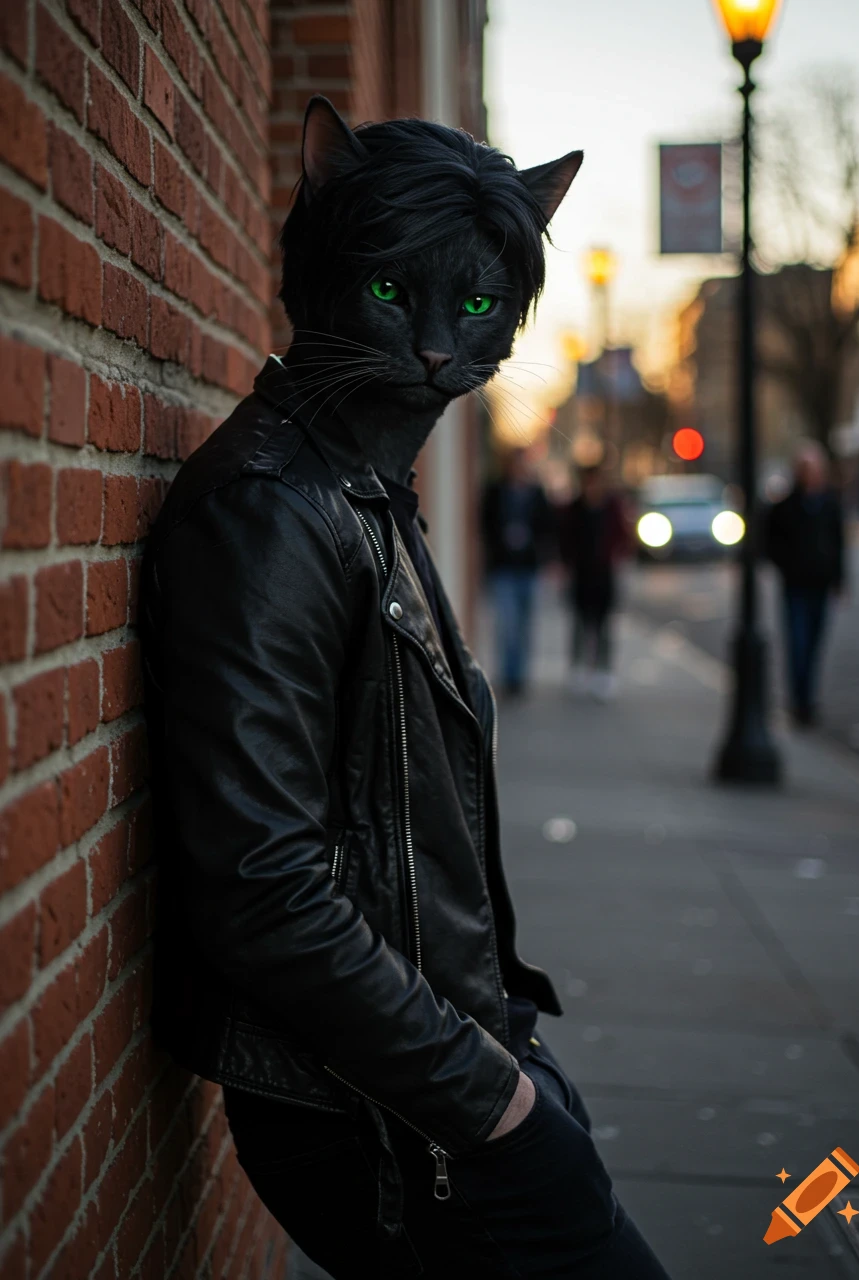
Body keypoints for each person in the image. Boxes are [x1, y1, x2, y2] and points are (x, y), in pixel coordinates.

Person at [139, 96, 669, 1279]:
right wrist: (497, 1104)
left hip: (447, 1069)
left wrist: (516, 1068)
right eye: (394, 295)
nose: (438, 343)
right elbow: (266, 891)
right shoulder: (273, 512)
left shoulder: (360, 489)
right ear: (320, 268)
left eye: (476, 308)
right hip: (379, 1117)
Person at [766, 440, 847, 727]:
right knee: (797, 642)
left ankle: (807, 698)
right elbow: (770, 540)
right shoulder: (787, 505)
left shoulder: (830, 504)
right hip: (796, 584)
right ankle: (799, 700)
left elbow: (839, 544)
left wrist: (839, 579)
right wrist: (786, 564)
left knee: (813, 643)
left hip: (820, 583)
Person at [481, 448, 553, 697]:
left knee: (525, 624)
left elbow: (547, 526)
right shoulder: (495, 491)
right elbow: (485, 524)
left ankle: (521, 675)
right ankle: (509, 674)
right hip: (503, 569)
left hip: (528, 568)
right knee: (507, 625)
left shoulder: (536, 493)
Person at [559, 462, 631, 699]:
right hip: (581, 575)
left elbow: (623, 536)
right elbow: (566, 539)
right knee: (580, 623)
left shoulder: (611, 507)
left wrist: (614, 556)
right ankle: (579, 669)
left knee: (603, 626)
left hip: (603, 574)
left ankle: (603, 672)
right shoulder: (575, 508)